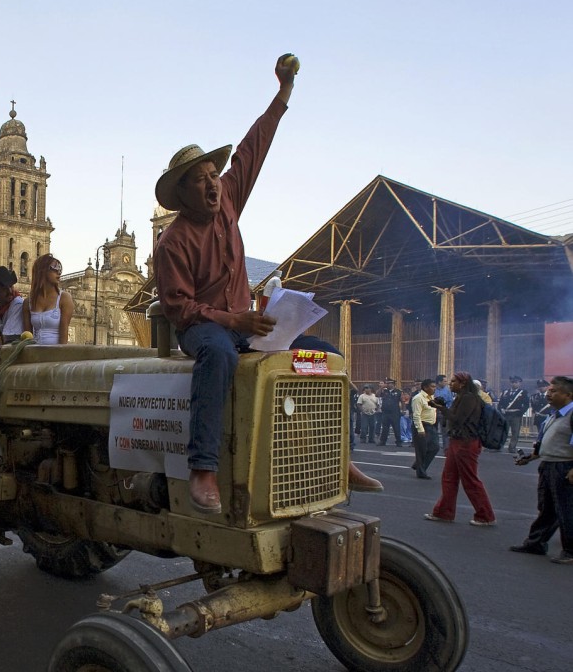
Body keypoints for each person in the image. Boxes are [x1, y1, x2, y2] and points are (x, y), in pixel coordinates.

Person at [151, 54, 381, 513]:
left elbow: (254, 145)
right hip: (205, 327)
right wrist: (232, 318)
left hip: (246, 322)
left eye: (213, 175)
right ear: (182, 195)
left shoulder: (231, 197)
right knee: (216, 353)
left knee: (326, 356)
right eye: (200, 181)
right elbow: (179, 307)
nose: (212, 185)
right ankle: (203, 469)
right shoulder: (172, 242)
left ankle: (339, 456)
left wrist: (283, 92)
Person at [511, 376, 573, 565]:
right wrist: (531, 457)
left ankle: (570, 550)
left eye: (554, 391)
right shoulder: (554, 414)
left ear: (568, 395)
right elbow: (547, 441)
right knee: (548, 509)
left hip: (564, 466)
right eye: (549, 390)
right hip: (548, 464)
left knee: (566, 509)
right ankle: (535, 543)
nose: (548, 393)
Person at [424, 372, 496, 526]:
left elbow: (457, 419)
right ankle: (444, 512)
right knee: (449, 477)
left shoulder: (469, 398)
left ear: (462, 383)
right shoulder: (462, 397)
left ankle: (485, 515)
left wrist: (442, 408)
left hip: (466, 442)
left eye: (453, 381)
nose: (451, 384)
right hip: (458, 441)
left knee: (470, 480)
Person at [23, 253, 73, 344]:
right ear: (42, 271)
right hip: (35, 354)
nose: (58, 272)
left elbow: (64, 337)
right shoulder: (28, 303)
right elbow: (28, 337)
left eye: (59, 269)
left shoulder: (64, 298)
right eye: (54, 268)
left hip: (55, 354)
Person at [411, 379, 441, 479]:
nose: (434, 389)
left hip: (431, 426)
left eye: (435, 387)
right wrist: (420, 429)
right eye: (432, 387)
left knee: (435, 447)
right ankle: (421, 472)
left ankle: (419, 465)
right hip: (422, 425)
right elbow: (416, 415)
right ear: (425, 387)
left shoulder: (431, 397)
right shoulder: (418, 398)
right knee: (421, 450)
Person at [499, 375, 530, 454]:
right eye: (512, 382)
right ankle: (499, 446)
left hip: (516, 415)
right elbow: (500, 403)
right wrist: (501, 409)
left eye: (516, 382)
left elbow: (526, 404)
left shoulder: (523, 393)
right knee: (503, 431)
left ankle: (512, 447)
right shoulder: (505, 392)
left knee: (515, 432)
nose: (514, 384)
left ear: (520, 383)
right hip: (506, 414)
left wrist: (520, 412)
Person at [378, 378, 403, 447]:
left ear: (393, 384)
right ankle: (383, 441)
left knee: (396, 428)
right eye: (387, 383)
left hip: (395, 412)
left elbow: (402, 401)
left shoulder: (398, 392)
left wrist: (403, 410)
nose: (387, 384)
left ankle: (398, 442)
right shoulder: (384, 391)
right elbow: (377, 395)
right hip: (385, 412)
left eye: (389, 383)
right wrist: (381, 388)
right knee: (385, 428)